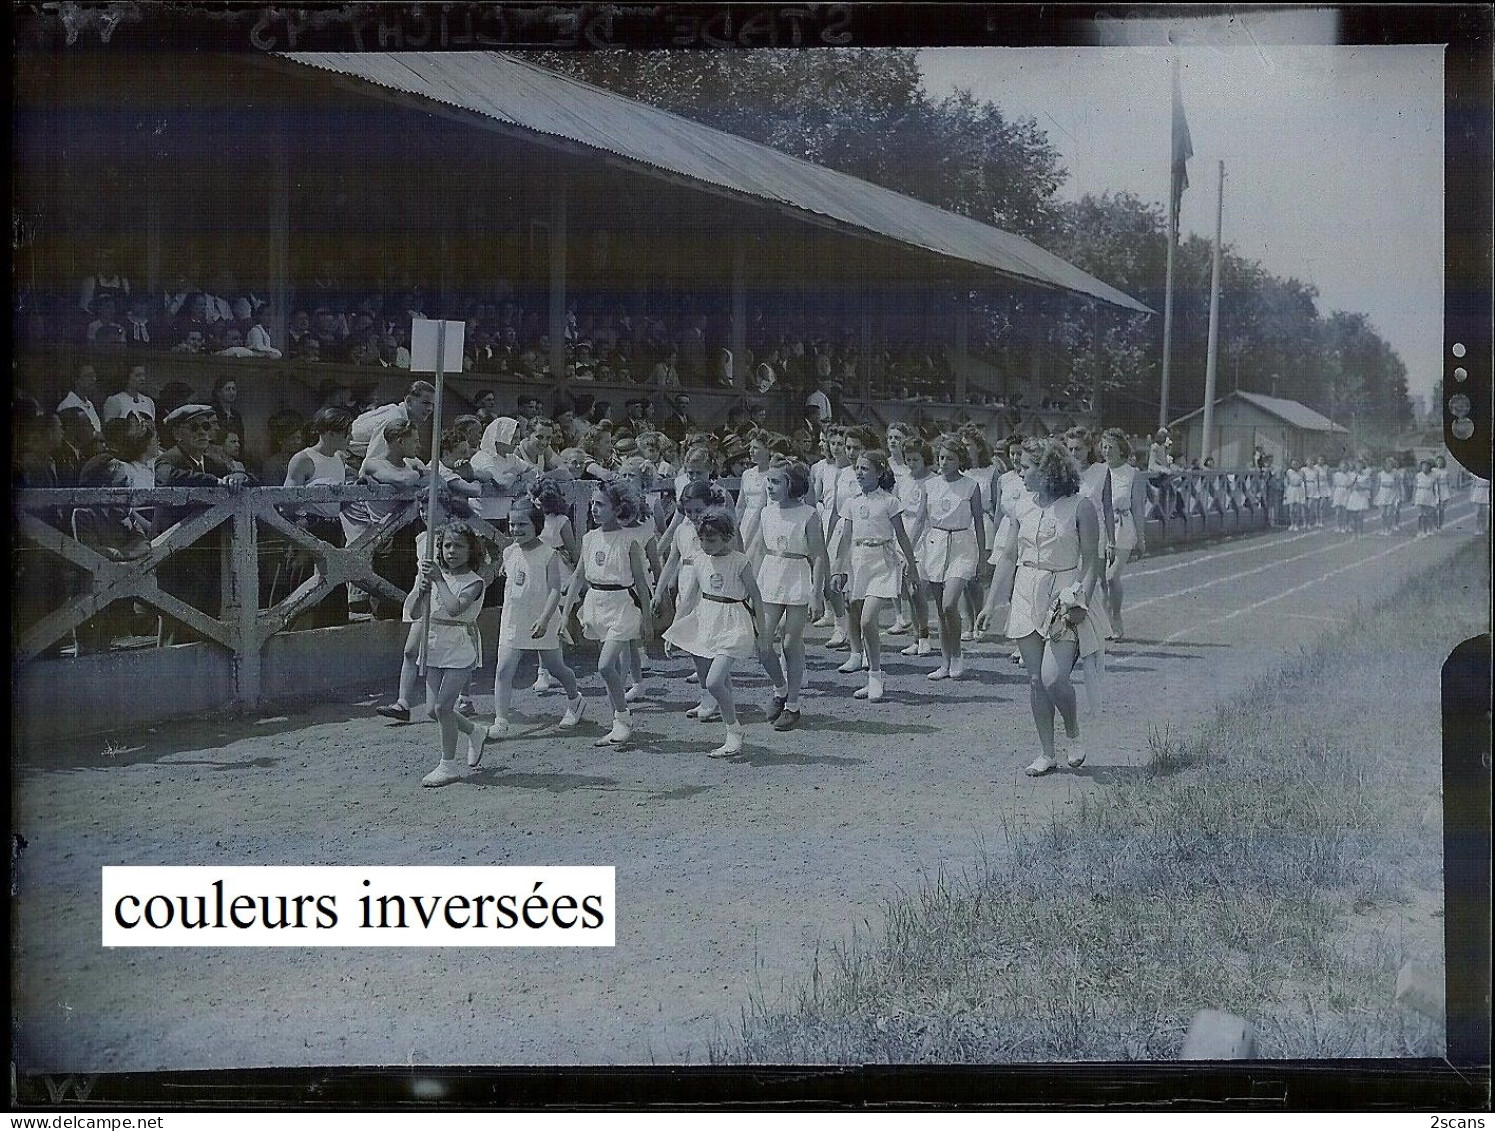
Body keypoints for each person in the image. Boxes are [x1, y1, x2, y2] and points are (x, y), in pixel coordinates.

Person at [979, 439, 1107, 776]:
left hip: (1065, 595)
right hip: (1026, 592)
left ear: (1048, 469)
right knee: (1036, 680)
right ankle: (1047, 753)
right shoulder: (1022, 505)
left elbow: (1092, 562)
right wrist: (990, 604)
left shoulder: (1081, 506)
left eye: (1025, 467)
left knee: (1054, 677)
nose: (1018, 473)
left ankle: (1073, 733)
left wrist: (1082, 600)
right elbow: (1007, 557)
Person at [662, 508, 766, 757]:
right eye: (703, 540)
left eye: (713, 540)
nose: (707, 545)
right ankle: (732, 736)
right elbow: (687, 600)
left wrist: (763, 631)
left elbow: (756, 597)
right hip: (708, 619)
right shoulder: (699, 560)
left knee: (713, 681)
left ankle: (734, 730)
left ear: (728, 537)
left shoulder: (740, 561)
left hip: (733, 622)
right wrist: (673, 630)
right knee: (721, 681)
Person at [561, 479, 655, 747]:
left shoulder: (629, 541)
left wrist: (647, 618)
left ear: (618, 508)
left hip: (622, 605)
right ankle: (618, 720)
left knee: (604, 666)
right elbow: (578, 576)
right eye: (592, 503)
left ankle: (624, 717)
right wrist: (566, 613)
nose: (594, 509)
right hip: (596, 603)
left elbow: (640, 582)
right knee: (609, 668)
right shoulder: (590, 539)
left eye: (600, 504)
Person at [488, 497, 586, 742]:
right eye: (512, 525)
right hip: (513, 620)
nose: (515, 530)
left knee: (556, 668)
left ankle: (575, 700)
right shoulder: (509, 551)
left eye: (522, 525)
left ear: (537, 525)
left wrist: (544, 619)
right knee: (503, 670)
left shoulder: (548, 554)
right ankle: (501, 720)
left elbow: (555, 589)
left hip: (542, 620)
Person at [830, 449, 922, 703]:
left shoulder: (889, 502)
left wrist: (911, 565)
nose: (859, 473)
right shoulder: (851, 502)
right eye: (857, 468)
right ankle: (872, 674)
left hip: (882, 561)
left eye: (865, 469)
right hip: (859, 561)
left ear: (880, 472)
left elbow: (901, 535)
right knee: (858, 616)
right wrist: (839, 568)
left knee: (868, 620)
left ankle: (875, 674)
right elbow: (845, 538)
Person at [748, 458, 829, 732]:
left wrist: (817, 593)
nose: (769, 487)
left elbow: (818, 555)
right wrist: (749, 587)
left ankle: (793, 705)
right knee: (762, 643)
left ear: (792, 484)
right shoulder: (767, 513)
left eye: (776, 482)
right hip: (770, 577)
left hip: (797, 578)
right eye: (768, 481)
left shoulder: (808, 514)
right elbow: (758, 550)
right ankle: (780, 689)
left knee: (791, 642)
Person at [407, 522, 490, 787]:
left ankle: (448, 765)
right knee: (432, 710)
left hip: (459, 645)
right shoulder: (434, 578)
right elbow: (414, 614)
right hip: (434, 644)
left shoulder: (474, 582)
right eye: (447, 546)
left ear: (471, 550)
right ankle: (474, 731)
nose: (451, 551)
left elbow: (455, 608)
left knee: (444, 706)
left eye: (459, 546)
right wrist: (422, 592)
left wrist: (439, 580)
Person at [919, 437, 985, 680]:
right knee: (940, 610)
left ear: (960, 460)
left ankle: (957, 655)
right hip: (935, 545)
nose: (944, 462)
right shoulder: (930, 485)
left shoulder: (971, 486)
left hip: (962, 545)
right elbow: (919, 520)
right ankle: (944, 662)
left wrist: (981, 557)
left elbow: (978, 522)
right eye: (941, 458)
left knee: (949, 604)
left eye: (950, 458)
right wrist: (908, 552)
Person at [1097, 429, 1147, 642]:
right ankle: (1103, 623)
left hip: (1123, 527)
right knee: (1100, 580)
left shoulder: (1132, 474)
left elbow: (1138, 508)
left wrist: (1141, 539)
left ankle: (1116, 616)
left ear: (1121, 450)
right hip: (1101, 527)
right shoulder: (1097, 471)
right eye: (1104, 447)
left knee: (1112, 576)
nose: (1107, 451)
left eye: (1111, 448)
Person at [895, 437, 934, 658]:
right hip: (903, 532)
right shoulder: (902, 480)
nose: (911, 464)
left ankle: (925, 636)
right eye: (908, 459)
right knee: (909, 591)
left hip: (923, 537)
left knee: (918, 590)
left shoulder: (932, 481)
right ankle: (916, 636)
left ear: (924, 458)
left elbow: (921, 517)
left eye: (916, 459)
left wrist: (910, 544)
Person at [348, 381, 436, 470]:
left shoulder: (398, 413)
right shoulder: (393, 420)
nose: (430, 409)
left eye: (433, 404)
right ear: (409, 401)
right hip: (350, 463)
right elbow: (374, 461)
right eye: (425, 403)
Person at [735, 430, 772, 573]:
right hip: (746, 521)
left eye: (755, 448)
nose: (750, 451)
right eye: (750, 448)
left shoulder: (773, 474)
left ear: (767, 449)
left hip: (763, 522)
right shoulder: (747, 474)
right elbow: (740, 505)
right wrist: (735, 527)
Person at [57, 364, 103, 434]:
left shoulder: (90, 404)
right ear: (76, 380)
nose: (94, 379)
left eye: (94, 376)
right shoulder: (67, 405)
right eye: (89, 376)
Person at [1376, 457, 1400, 536]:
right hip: (1382, 494)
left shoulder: (1395, 473)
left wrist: (1397, 496)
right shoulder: (1380, 474)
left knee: (1389, 513)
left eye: (1390, 465)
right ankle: (1383, 528)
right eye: (1387, 465)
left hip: (1391, 495)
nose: (1388, 466)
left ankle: (1388, 529)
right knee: (1383, 514)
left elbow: (1397, 485)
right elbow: (1377, 486)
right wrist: (1376, 496)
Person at [1413, 459, 1437, 538]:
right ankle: (1420, 530)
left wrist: (1436, 498)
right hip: (1420, 494)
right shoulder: (1418, 475)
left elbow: (1435, 488)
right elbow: (1415, 487)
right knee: (1420, 515)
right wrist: (1413, 498)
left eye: (1426, 466)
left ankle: (1428, 529)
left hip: (1429, 494)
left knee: (1428, 514)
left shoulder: (1434, 476)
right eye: (1423, 466)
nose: (1425, 467)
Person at [1284, 457, 1307, 531]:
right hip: (1291, 490)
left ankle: (1296, 524)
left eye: (1296, 464)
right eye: (1293, 464)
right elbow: (1286, 482)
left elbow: (1305, 482)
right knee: (1291, 509)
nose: (1295, 465)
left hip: (1299, 490)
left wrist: (1305, 492)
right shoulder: (1289, 471)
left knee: (1297, 509)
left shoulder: (1302, 472)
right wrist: (1285, 493)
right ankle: (1292, 524)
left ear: (1299, 464)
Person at [1433, 455, 1452, 531]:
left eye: (1441, 461)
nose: (1439, 463)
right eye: (1438, 461)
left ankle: (1440, 525)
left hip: (1443, 490)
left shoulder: (1446, 472)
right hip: (1435, 490)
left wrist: (1450, 494)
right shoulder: (1433, 470)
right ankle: (1434, 524)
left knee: (1441, 510)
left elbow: (1449, 483)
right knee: (1434, 509)